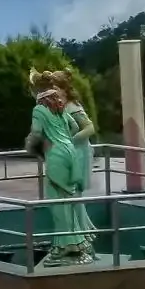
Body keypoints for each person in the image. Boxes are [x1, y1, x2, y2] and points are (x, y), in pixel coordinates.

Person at [26, 68, 98, 267]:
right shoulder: (59, 109)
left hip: (57, 156)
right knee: (68, 201)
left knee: (59, 204)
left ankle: (71, 247)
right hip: (70, 154)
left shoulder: (40, 110)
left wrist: (30, 146)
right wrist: (65, 139)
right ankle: (69, 245)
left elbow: (36, 133)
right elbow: (75, 127)